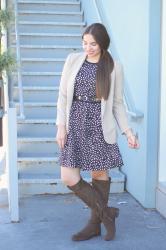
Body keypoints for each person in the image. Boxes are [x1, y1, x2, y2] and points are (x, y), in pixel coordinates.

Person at [56, 23, 139, 241]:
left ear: (102, 43)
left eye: (93, 43)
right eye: (85, 43)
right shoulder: (73, 60)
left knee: (99, 174)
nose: (88, 47)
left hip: (99, 126)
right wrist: (61, 126)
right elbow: (63, 97)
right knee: (68, 176)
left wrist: (128, 132)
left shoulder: (113, 67)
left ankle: (95, 225)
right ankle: (107, 213)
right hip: (74, 123)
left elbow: (117, 104)